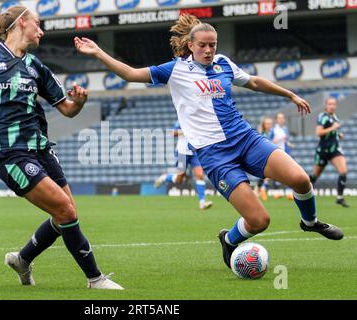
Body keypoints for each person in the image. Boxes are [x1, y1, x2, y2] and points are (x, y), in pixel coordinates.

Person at [75, 14, 343, 270]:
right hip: (216, 155)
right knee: (259, 221)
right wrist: (98, 52)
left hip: (246, 139)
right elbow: (131, 74)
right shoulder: (175, 70)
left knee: (300, 179)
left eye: (212, 45)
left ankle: (310, 222)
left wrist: (290, 95)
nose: (208, 50)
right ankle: (228, 240)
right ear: (190, 45)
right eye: (202, 45)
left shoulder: (223, 63)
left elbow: (254, 81)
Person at [0, 6, 123, 290]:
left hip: (41, 149)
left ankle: (22, 260)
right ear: (22, 23)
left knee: (66, 214)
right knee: (66, 212)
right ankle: (95, 279)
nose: (42, 31)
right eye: (39, 24)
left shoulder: (36, 66)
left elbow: (67, 110)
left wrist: (79, 102)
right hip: (9, 151)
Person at [154, 120, 213, 210]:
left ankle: (202, 202)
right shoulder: (182, 120)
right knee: (179, 179)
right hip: (182, 152)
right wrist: (186, 130)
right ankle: (164, 177)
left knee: (200, 175)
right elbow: (173, 133)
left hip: (195, 152)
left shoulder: (198, 119)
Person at [309, 97, 349, 208]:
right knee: (314, 177)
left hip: (334, 150)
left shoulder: (334, 117)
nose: (332, 106)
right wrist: (333, 128)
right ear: (326, 105)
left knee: (343, 171)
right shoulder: (323, 117)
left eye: (334, 104)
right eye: (330, 104)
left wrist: (338, 134)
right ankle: (301, 193)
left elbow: (333, 129)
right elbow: (318, 132)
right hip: (323, 151)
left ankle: (340, 197)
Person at [268, 112, 294, 200]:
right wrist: (278, 139)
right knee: (276, 173)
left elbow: (285, 140)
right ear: (276, 120)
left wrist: (289, 144)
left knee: (288, 172)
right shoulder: (273, 130)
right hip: (276, 154)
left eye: (282, 118)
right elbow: (269, 142)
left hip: (285, 153)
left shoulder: (285, 129)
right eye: (279, 118)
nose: (281, 120)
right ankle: (276, 192)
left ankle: (289, 192)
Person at [254, 117, 274, 201]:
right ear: (264, 125)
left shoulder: (272, 133)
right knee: (266, 174)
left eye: (270, 123)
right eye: (267, 123)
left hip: (269, 154)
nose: (269, 125)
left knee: (267, 175)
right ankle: (260, 190)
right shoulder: (262, 133)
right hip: (263, 155)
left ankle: (259, 190)